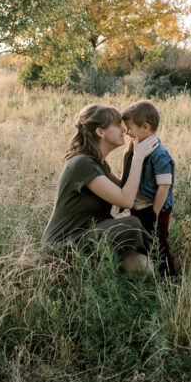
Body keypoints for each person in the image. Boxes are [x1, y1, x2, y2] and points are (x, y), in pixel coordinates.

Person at [42, 103, 160, 273]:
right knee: (132, 224)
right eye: (117, 125)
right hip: (63, 247)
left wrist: (129, 156)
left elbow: (129, 192)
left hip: (88, 238)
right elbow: (126, 200)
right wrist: (138, 157)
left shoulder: (98, 163)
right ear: (100, 132)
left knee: (145, 266)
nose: (124, 130)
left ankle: (153, 277)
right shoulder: (82, 163)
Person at [121, 100, 178, 278]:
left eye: (129, 128)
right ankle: (147, 274)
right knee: (142, 241)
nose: (126, 132)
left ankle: (169, 279)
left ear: (145, 127)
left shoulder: (159, 153)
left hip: (154, 208)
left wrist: (155, 212)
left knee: (158, 243)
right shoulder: (135, 148)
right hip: (138, 207)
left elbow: (164, 186)